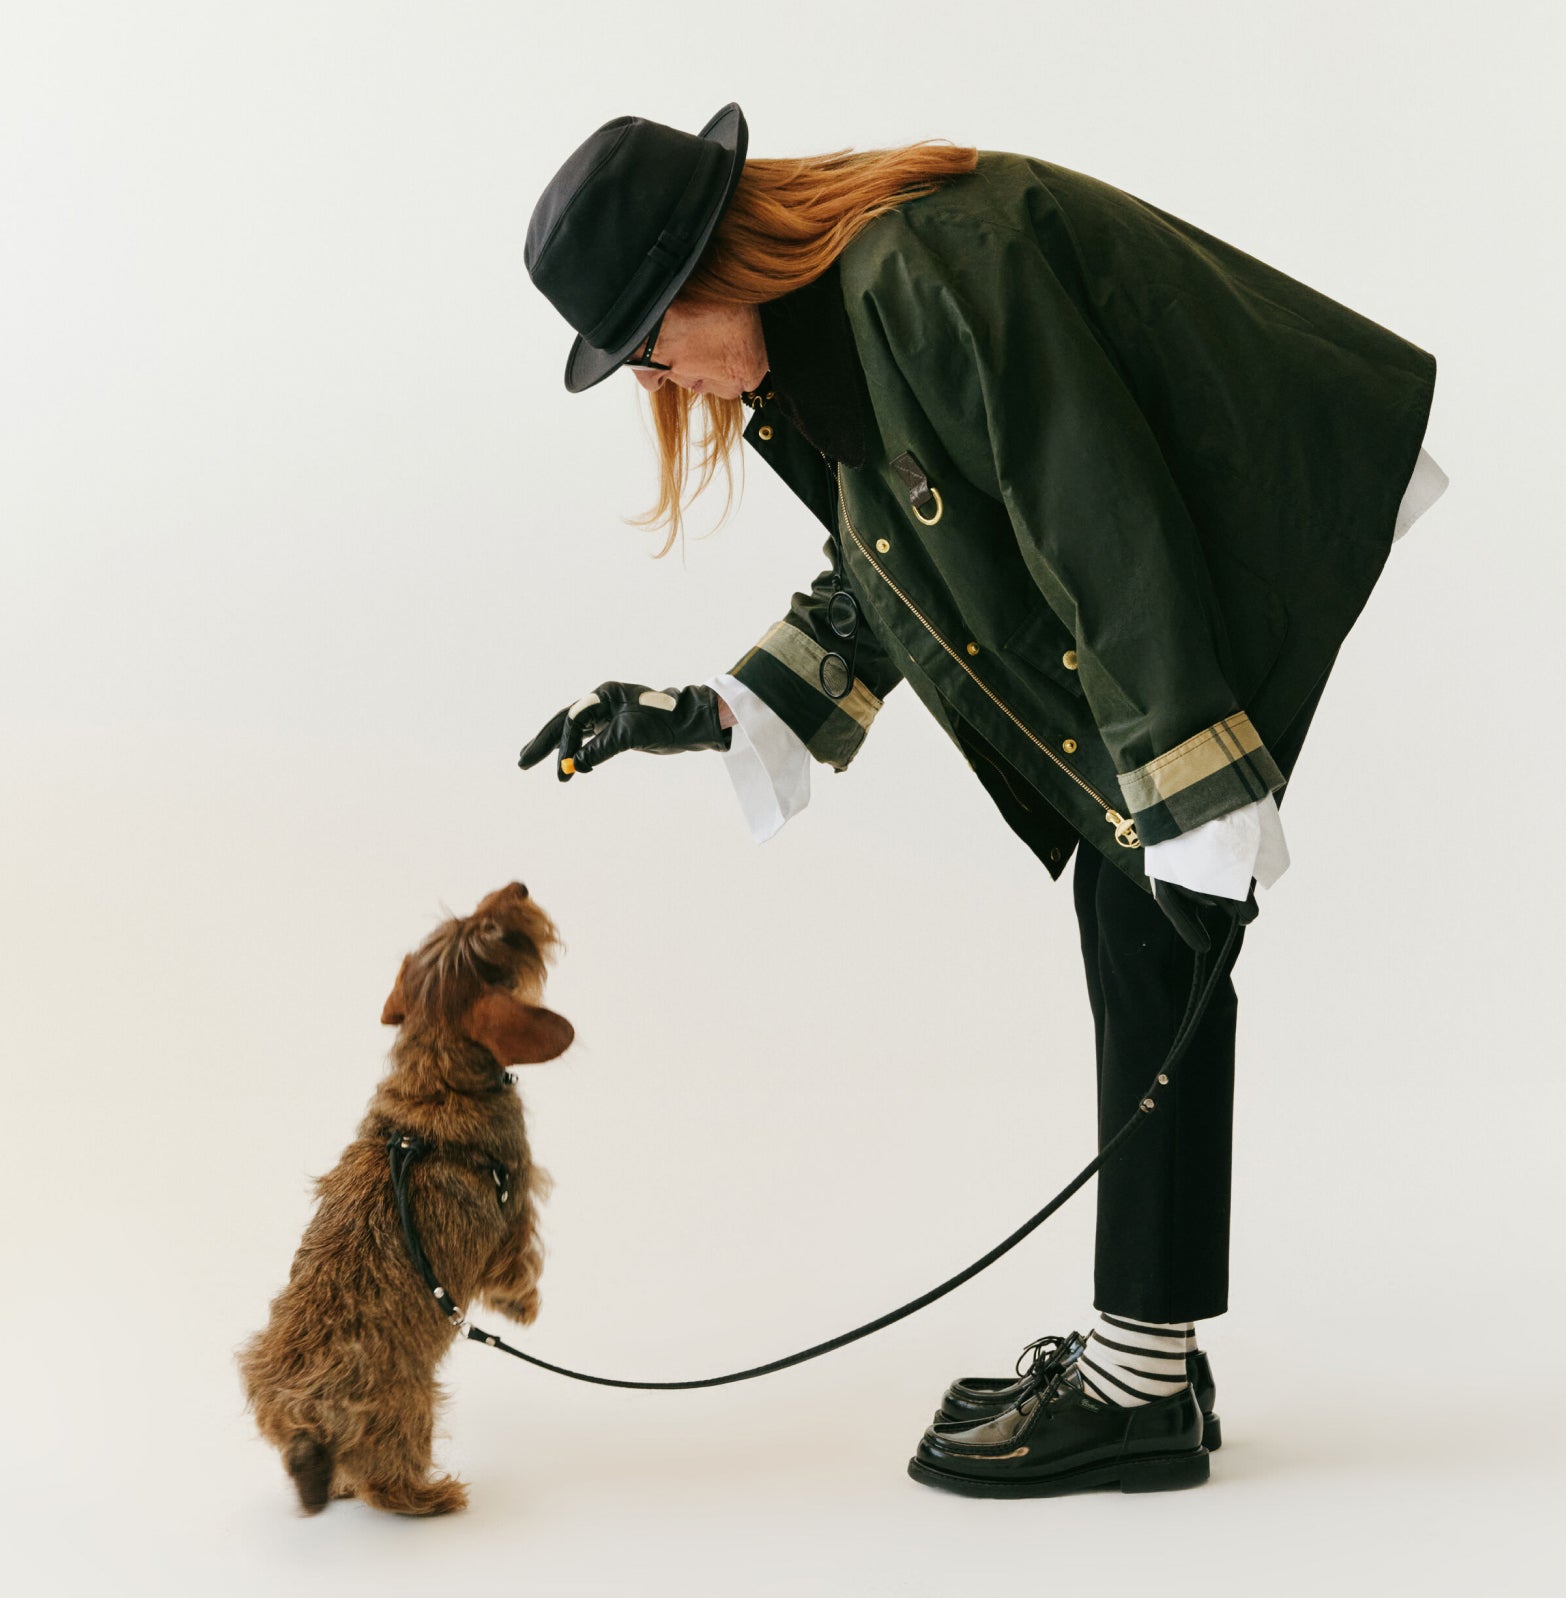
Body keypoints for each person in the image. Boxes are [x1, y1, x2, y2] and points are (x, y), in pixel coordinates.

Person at [518, 103, 1447, 1497]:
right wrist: (707, 713)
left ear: (712, 272)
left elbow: (1091, 502)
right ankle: (1147, 1362)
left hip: (1244, 491)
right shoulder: (829, 336)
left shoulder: (917, 270)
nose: (670, 380)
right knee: (1138, 913)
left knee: (1151, 915)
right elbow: (888, 566)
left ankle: (1137, 1384)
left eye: (651, 347)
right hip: (1163, 547)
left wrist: (1191, 768)